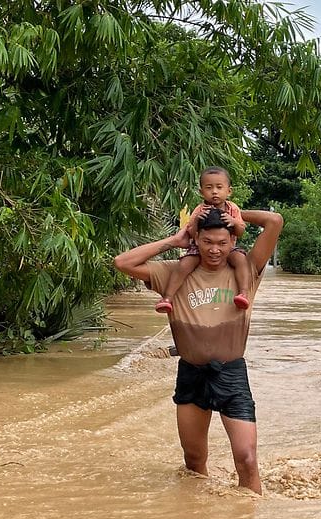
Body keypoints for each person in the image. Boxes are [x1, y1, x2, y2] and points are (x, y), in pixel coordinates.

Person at [114, 206, 284, 494]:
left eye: (221, 243)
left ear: (233, 243)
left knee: (247, 458)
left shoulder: (247, 271)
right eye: (207, 242)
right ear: (196, 240)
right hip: (191, 375)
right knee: (193, 460)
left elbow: (274, 221)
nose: (214, 250)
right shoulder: (175, 273)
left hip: (231, 375)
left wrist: (234, 213)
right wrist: (174, 241)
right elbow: (122, 262)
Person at [155, 166, 252, 314]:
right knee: (184, 264)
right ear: (201, 192)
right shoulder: (199, 210)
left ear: (229, 191)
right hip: (199, 248)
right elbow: (192, 233)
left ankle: (243, 293)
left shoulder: (233, 209)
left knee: (240, 259)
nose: (214, 191)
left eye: (219, 187)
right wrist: (195, 223)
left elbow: (240, 231)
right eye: (209, 187)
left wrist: (234, 222)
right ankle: (167, 298)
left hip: (228, 248)